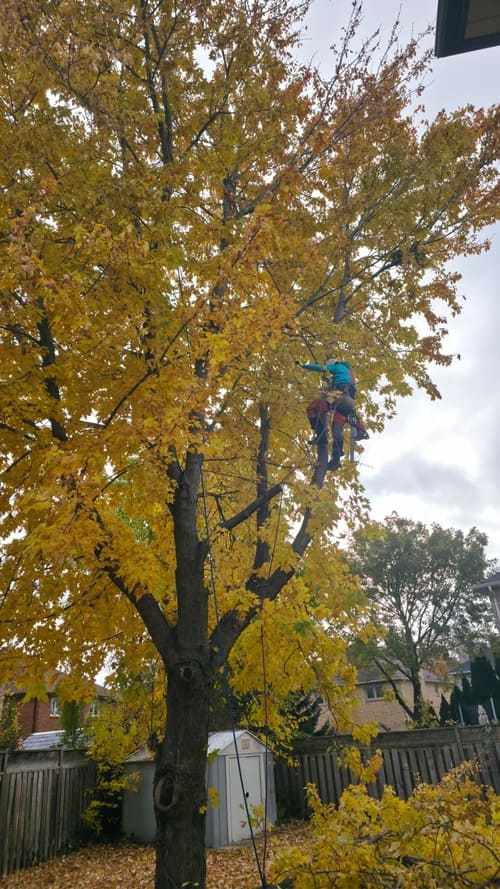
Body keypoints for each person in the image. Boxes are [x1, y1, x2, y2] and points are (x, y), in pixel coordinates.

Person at [297, 357, 368, 470]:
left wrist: (303, 365)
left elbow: (321, 368)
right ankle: (335, 460)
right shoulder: (350, 373)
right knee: (337, 431)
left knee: (312, 408)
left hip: (339, 398)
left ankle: (322, 435)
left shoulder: (337, 366)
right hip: (348, 403)